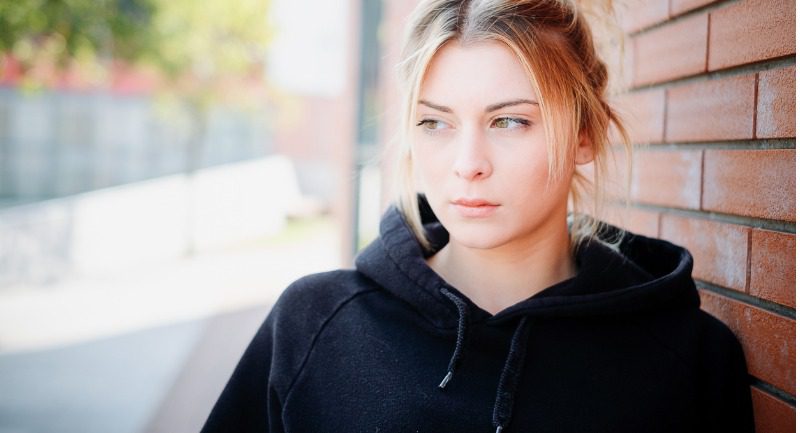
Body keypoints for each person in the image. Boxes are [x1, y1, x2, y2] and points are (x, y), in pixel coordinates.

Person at [201, 1, 755, 432]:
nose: (467, 165)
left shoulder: (690, 361)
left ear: (586, 134)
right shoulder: (316, 323)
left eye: (509, 121)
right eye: (436, 124)